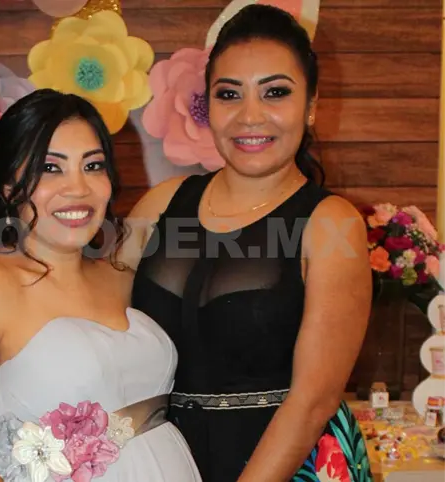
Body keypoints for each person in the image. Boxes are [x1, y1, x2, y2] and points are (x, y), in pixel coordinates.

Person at [123, 5, 373, 482]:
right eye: (229, 94)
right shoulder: (161, 204)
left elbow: (313, 401)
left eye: (275, 92)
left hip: (286, 466)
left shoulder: (331, 223)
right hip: (163, 461)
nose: (250, 116)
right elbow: (96, 313)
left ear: (312, 105)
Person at [0, 89, 202, 481]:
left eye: (93, 166)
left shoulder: (119, 276)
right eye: (51, 168)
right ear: (7, 185)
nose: (78, 188)